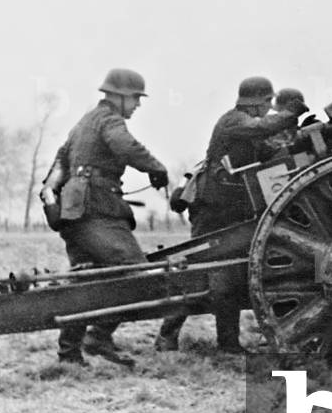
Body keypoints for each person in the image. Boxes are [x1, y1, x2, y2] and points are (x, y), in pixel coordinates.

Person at [156, 76, 308, 353]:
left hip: (228, 210)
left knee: (231, 277)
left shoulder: (248, 131)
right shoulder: (234, 121)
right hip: (210, 209)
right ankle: (167, 336)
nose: (268, 109)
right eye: (267, 103)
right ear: (257, 103)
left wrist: (303, 141)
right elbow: (263, 128)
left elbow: (271, 152)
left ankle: (228, 343)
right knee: (198, 270)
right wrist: (291, 113)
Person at [40, 68, 168, 367]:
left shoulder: (83, 123)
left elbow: (59, 163)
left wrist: (51, 196)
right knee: (135, 275)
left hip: (73, 212)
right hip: (98, 210)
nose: (137, 105)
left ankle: (70, 355)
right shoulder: (110, 120)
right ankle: (98, 335)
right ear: (120, 97)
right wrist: (156, 168)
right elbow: (125, 146)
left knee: (85, 281)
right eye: (135, 98)